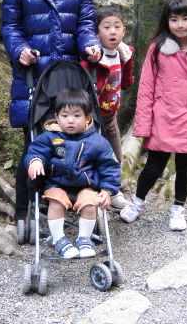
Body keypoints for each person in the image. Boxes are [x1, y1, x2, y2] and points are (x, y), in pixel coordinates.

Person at [1, 0, 102, 224]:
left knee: (79, 140)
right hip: (34, 73)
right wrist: (19, 49)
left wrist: (90, 43)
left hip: (70, 75)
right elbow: (10, 24)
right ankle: (25, 211)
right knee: (34, 145)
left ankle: (76, 202)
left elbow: (86, 19)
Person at [119, 0, 187, 231]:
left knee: (185, 168)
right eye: (174, 19)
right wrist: (142, 126)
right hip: (164, 119)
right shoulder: (157, 50)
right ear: (166, 21)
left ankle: (178, 209)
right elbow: (146, 89)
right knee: (153, 167)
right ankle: (137, 203)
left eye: (186, 18)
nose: (180, 24)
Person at [24, 89, 120, 259]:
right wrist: (35, 161)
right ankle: (59, 239)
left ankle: (84, 239)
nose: (70, 120)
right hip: (56, 183)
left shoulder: (97, 142)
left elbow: (109, 167)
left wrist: (107, 190)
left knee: (90, 203)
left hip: (86, 186)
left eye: (77, 115)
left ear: (87, 118)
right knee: (56, 201)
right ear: (57, 116)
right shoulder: (50, 137)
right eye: (65, 115)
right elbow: (36, 151)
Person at [81, 6, 134, 210]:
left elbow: (126, 82)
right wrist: (91, 60)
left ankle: (114, 190)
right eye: (107, 27)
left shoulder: (123, 53)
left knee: (115, 154)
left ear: (124, 31)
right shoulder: (94, 56)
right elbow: (83, 75)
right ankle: (93, 191)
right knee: (94, 154)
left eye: (117, 27)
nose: (112, 31)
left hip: (111, 115)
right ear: (97, 32)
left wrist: (128, 62)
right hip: (92, 117)